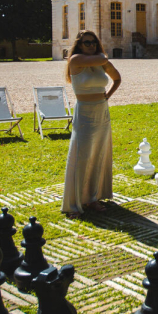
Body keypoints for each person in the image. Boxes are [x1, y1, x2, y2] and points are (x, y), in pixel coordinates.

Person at [62, 30, 121, 218]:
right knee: (82, 156)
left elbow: (117, 78)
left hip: (101, 111)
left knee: (98, 154)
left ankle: (93, 197)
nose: (91, 45)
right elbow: (103, 58)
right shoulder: (76, 60)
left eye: (94, 42)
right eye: (87, 42)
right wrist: (103, 57)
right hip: (85, 112)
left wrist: (108, 95)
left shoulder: (100, 61)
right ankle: (74, 202)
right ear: (79, 45)